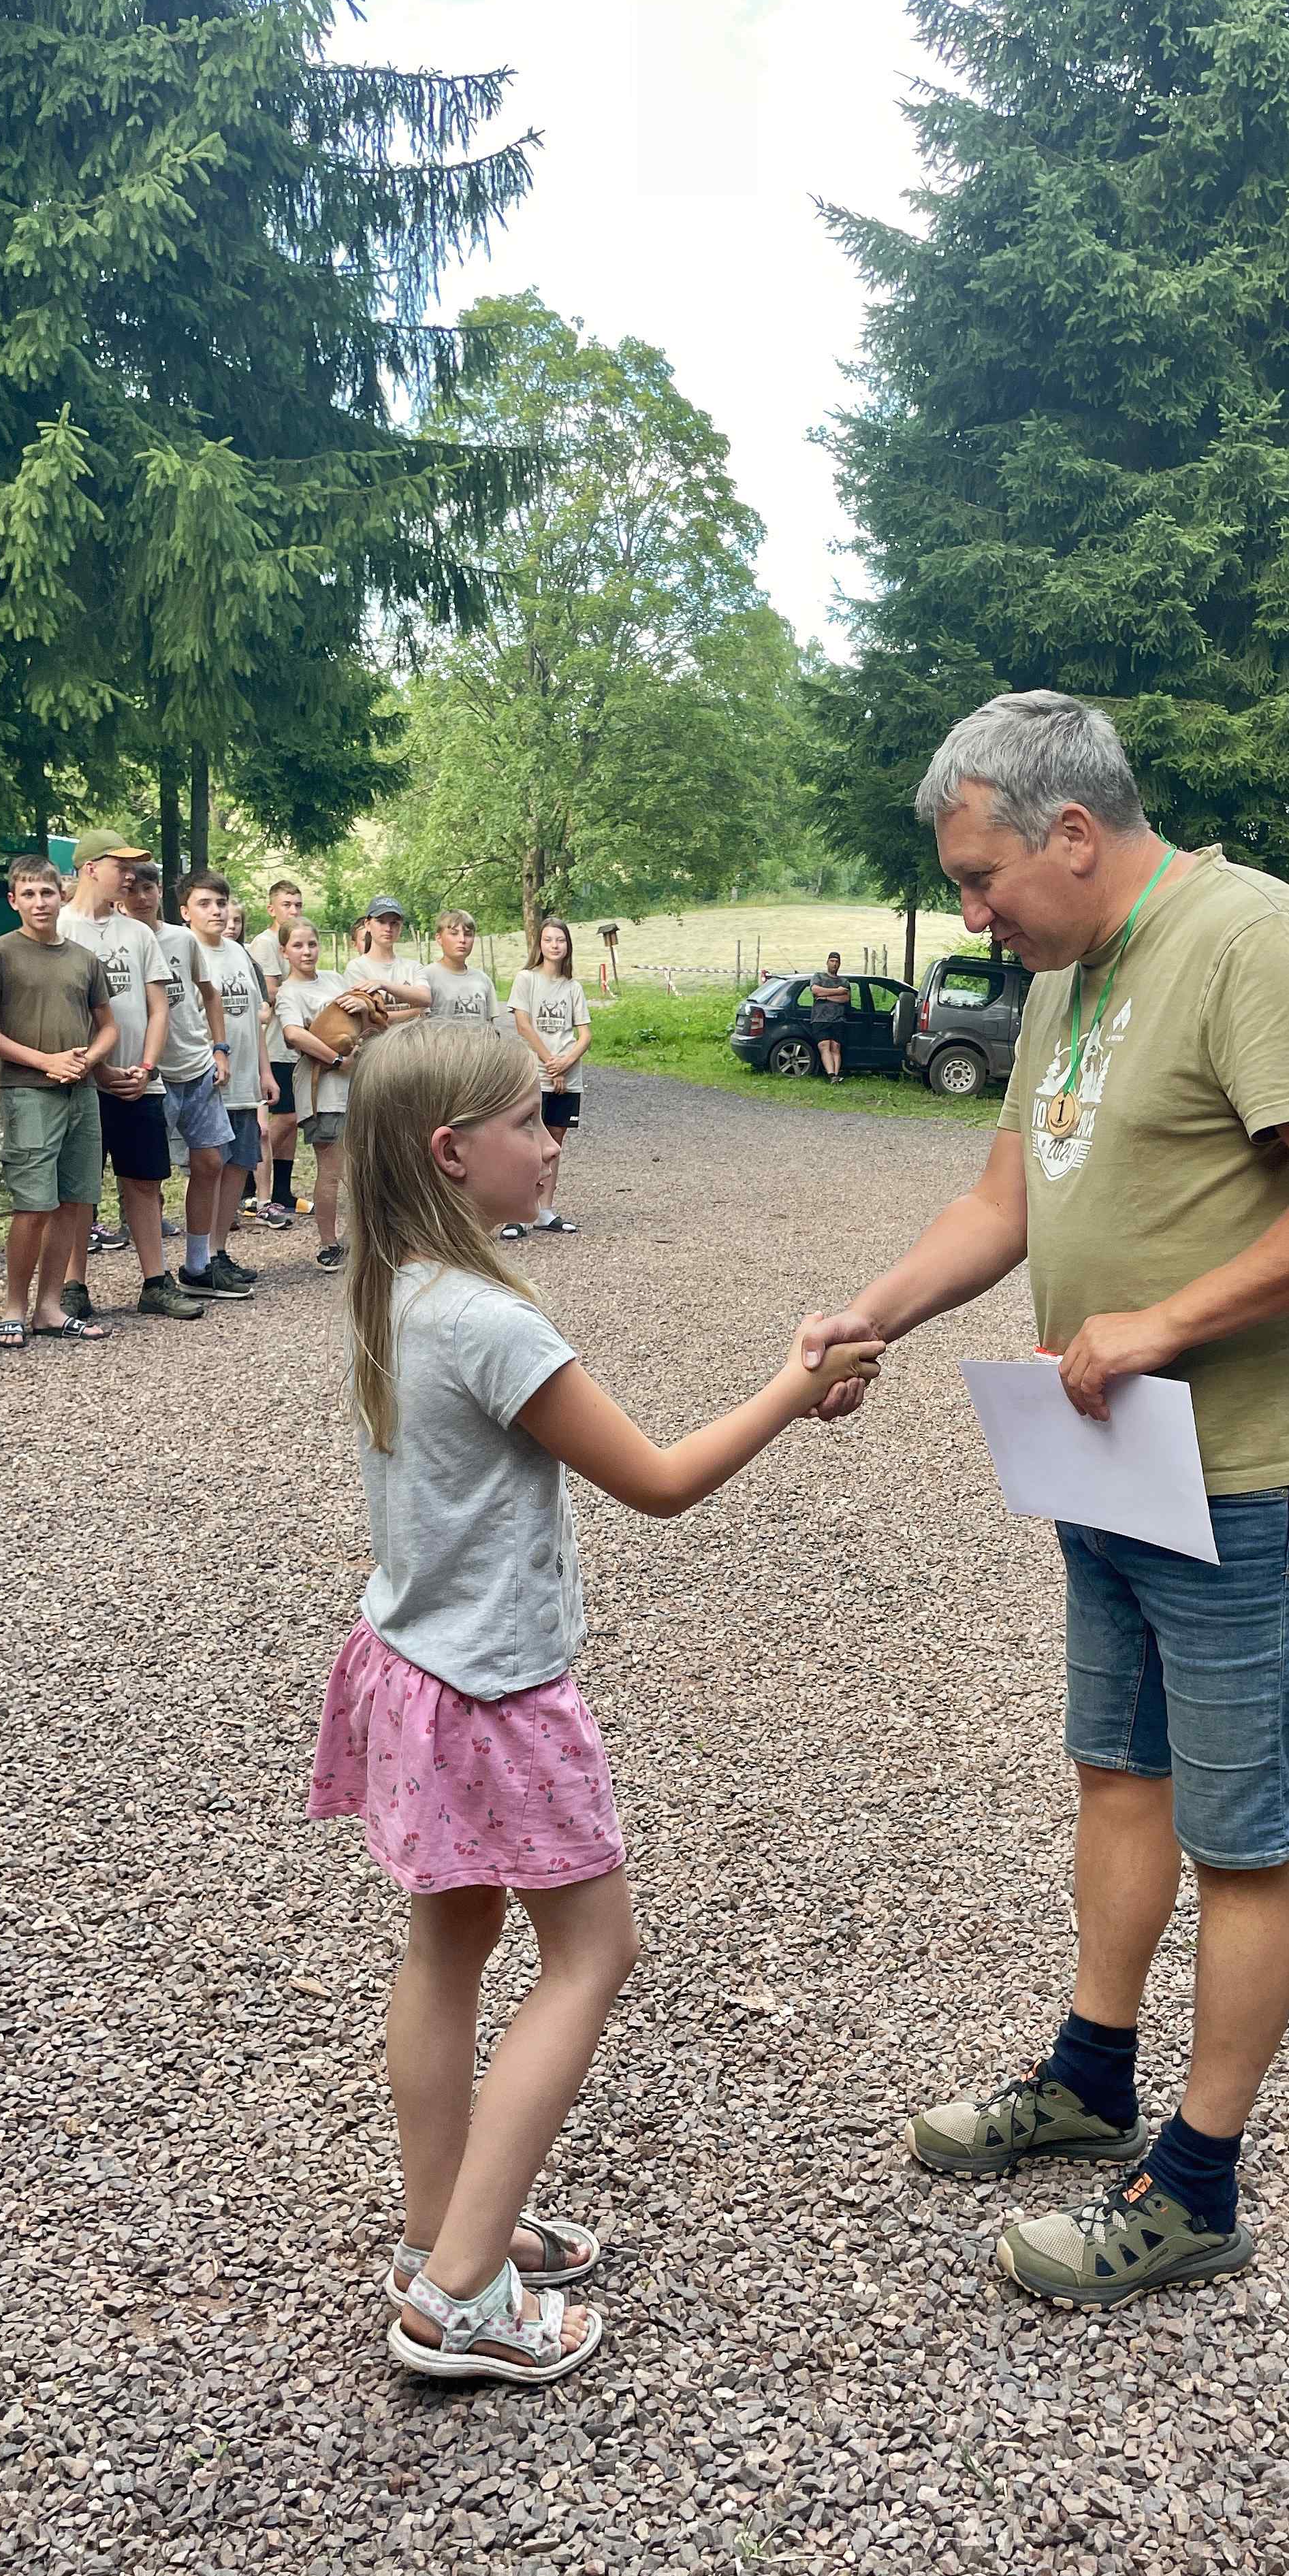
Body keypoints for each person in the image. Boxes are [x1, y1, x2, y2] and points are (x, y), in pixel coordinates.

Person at [798, 692, 1289, 2309]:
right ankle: (1092, 2077)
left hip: (1249, 1480)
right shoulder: (1070, 978)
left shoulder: (1250, 943)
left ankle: (1199, 2186)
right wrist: (876, 1312)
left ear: (1071, 832)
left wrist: (1162, 1323)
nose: (972, 913)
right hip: (1111, 1460)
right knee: (1117, 1777)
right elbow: (1006, 1196)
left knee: (1240, 1839)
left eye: (981, 875)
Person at [306, 1020, 881, 2385]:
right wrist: (796, 1386)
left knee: (447, 1947)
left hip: (412, 1671)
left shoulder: (397, 1285)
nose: (555, 1137)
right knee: (591, 1954)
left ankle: (441, 2231)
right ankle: (459, 2295)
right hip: (495, 1697)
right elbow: (660, 1482)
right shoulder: (492, 1322)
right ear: (452, 1152)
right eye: (531, 1117)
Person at [0, 856, 117, 1347]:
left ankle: (50, 1307)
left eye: (47, 893)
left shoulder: (84, 959)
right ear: (13, 901)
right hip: (27, 1091)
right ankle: (14, 1307)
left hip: (81, 1092)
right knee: (33, 1204)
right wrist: (43, 1060)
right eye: (28, 894)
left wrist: (88, 1060)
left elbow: (108, 1026)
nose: (39, 903)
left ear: (62, 895)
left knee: (74, 1202)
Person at [56, 831, 190, 1323]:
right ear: (91, 868)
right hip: (80, 1082)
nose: (131, 877)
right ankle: (72, 1286)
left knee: (144, 1182)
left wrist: (146, 1068)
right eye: (122, 866)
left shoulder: (137, 934)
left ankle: (156, 1282)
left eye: (135, 868)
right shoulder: (59, 927)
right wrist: (97, 1067)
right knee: (78, 1188)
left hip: (139, 1080)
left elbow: (159, 1008)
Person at [118, 862, 221, 1321]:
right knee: (149, 1178)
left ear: (161, 892)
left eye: (149, 888)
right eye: (133, 890)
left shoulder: (182, 939)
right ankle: (155, 1273)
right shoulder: (119, 940)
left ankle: (199, 1263)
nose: (142, 897)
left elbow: (210, 993)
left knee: (210, 1161)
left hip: (196, 1063)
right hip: (150, 1074)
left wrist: (220, 1049)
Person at [181, 872, 273, 1302]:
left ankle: (218, 1251)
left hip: (246, 1081)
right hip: (209, 1079)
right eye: (204, 904)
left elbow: (254, 1020)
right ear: (185, 912)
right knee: (210, 1167)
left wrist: (265, 1073)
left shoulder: (239, 952)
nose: (216, 911)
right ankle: (198, 1258)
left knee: (239, 1165)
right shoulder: (185, 952)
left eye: (221, 903)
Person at [274, 918, 375, 1270]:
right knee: (332, 1169)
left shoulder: (334, 980)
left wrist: (365, 1010)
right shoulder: (288, 992)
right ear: (284, 951)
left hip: (357, 1086)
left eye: (312, 944)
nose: (307, 952)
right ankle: (328, 1244)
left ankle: (359, 1239)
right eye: (298, 946)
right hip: (324, 1092)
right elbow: (293, 1034)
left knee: (365, 1168)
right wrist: (336, 1059)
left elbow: (361, 1019)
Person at [507, 920, 591, 1235]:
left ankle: (545, 1210)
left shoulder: (573, 987)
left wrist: (566, 1063)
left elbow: (585, 1035)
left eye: (560, 940)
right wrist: (550, 1064)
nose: (555, 945)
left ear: (568, 946)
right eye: (548, 940)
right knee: (527, 1142)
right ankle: (518, 1211)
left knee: (554, 1143)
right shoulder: (526, 979)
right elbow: (523, 1025)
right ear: (539, 945)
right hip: (535, 1073)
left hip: (568, 1075)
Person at [249, 878, 304, 1222]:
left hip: (293, 1046)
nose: (293, 911)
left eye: (298, 905)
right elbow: (270, 992)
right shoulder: (266, 944)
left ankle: (283, 1189)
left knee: (294, 1118)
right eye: (287, 905)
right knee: (283, 1117)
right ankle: (251, 1180)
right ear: (272, 909)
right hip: (273, 1043)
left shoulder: (299, 940)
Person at [345, 897, 433, 1020]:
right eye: (381, 922)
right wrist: (416, 1013)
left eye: (394, 923)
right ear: (368, 925)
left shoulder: (413, 967)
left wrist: (383, 984)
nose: (388, 929)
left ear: (401, 927)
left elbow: (426, 998)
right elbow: (365, 1017)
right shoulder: (356, 967)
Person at [424, 909, 499, 1026]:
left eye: (468, 934)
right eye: (454, 934)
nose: (462, 940)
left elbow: (490, 1026)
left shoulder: (483, 980)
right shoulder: (426, 977)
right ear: (439, 938)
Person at [810, 951, 850, 1081]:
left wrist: (826, 997)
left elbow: (845, 998)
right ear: (827, 962)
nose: (834, 964)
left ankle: (836, 1075)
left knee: (835, 1047)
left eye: (837, 962)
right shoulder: (818, 977)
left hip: (838, 1018)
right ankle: (831, 1074)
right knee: (824, 1045)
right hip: (820, 1018)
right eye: (832, 961)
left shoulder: (844, 981)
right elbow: (816, 991)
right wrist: (837, 991)